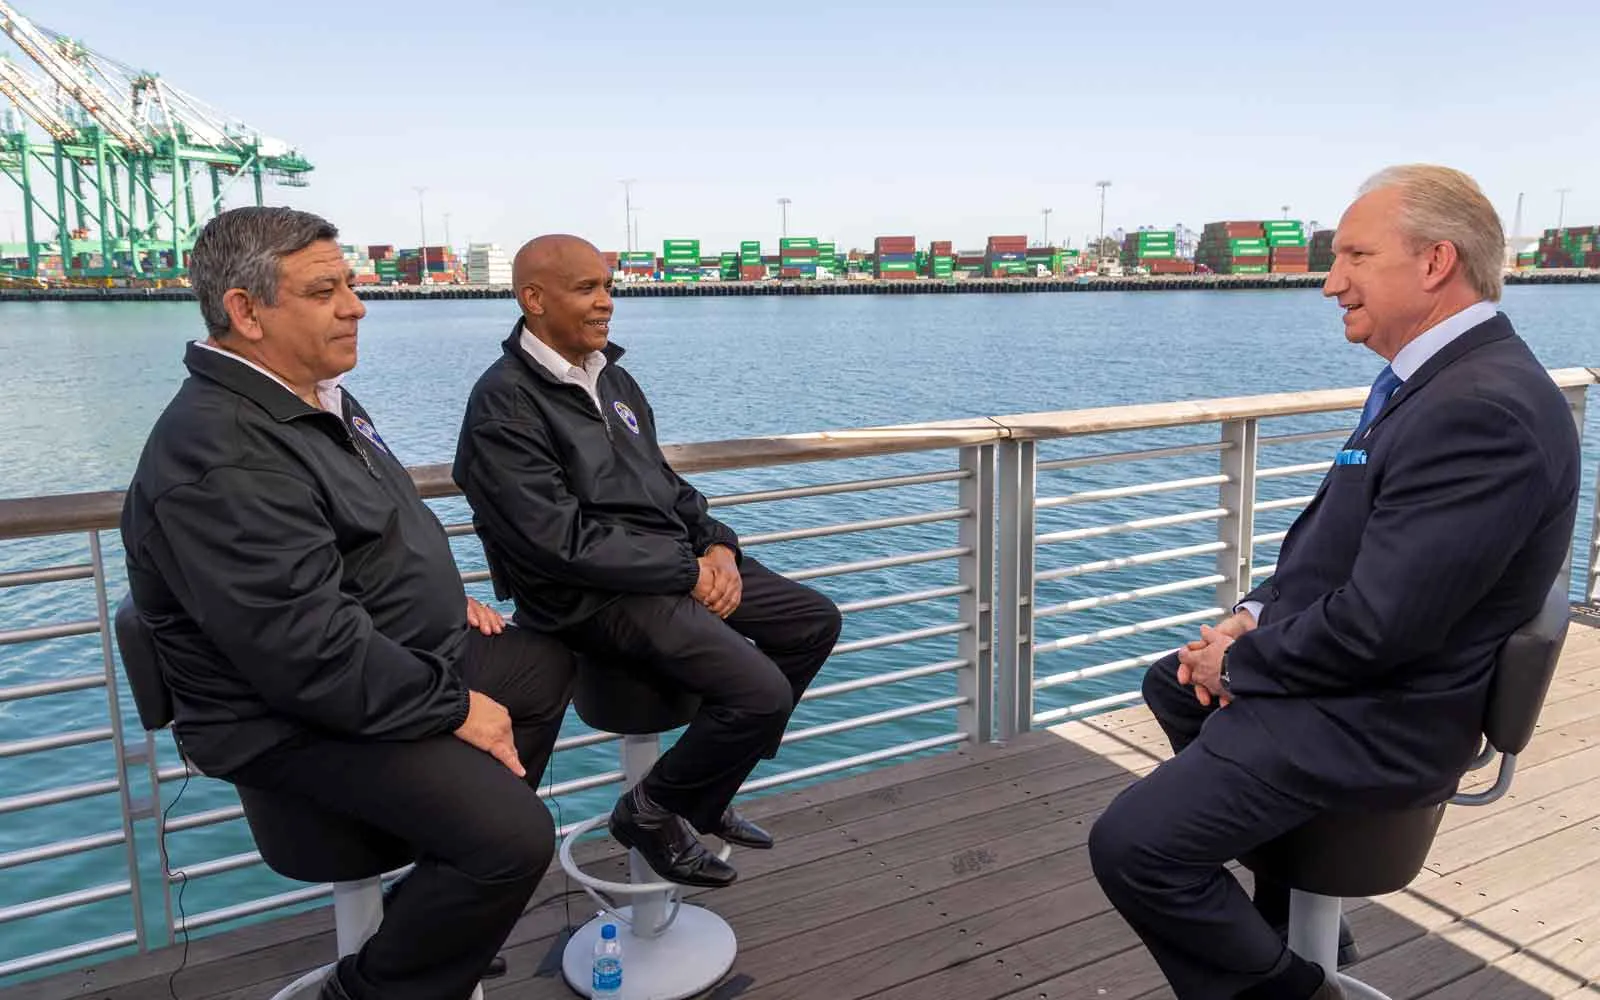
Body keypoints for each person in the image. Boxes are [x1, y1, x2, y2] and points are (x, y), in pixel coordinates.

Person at [1088, 164, 1581, 1000]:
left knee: (1137, 848)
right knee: (1174, 684)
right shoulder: (1431, 384)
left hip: (1384, 717)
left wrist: (1241, 665)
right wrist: (1250, 618)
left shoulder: (1479, 409)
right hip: (1370, 685)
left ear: (1434, 262)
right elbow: (1340, 556)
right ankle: (1293, 918)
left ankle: (1295, 991)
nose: (1330, 283)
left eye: (1355, 256)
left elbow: (1381, 625)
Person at [120, 207, 576, 1000]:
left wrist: (439, 593)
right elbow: (301, 650)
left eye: (353, 285)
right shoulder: (221, 449)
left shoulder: (316, 397)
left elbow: (360, 536)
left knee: (540, 665)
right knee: (512, 837)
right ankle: (368, 989)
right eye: (325, 290)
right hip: (284, 718)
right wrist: (454, 708)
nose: (356, 306)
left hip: (377, 659)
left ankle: (431, 915)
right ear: (245, 311)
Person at [452, 234, 842, 888]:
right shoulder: (504, 402)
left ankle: (704, 801)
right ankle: (652, 810)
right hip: (586, 598)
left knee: (813, 622)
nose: (607, 302)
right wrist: (688, 573)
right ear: (533, 299)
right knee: (759, 691)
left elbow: (665, 487)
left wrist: (717, 544)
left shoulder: (614, 378)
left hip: (666, 569)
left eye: (609, 287)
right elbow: (558, 541)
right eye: (587, 289)